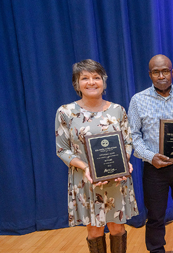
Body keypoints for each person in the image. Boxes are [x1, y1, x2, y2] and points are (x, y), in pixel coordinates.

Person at [56, 59, 137, 253]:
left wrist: (124, 162)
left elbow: (127, 142)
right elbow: (62, 150)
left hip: (117, 179)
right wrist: (86, 168)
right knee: (94, 231)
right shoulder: (65, 112)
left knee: (117, 228)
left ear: (103, 81)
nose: (91, 82)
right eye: (85, 78)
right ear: (77, 84)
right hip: (86, 181)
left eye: (96, 77)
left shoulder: (118, 110)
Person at [128, 55, 173, 253]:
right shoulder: (138, 100)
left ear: (172, 72)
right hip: (154, 168)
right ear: (150, 74)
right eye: (156, 72)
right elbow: (133, 136)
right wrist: (150, 156)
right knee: (155, 216)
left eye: (165, 71)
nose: (161, 76)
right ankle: (156, 250)